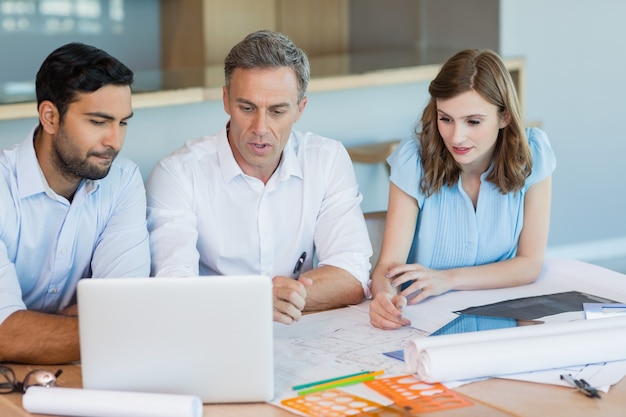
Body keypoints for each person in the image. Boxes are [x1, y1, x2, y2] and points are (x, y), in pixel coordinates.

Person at [146, 30, 371, 324]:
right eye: (247, 108)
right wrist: (255, 301)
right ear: (226, 100)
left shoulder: (326, 159)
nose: (260, 127)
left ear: (300, 109)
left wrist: (273, 300)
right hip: (215, 334)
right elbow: (174, 290)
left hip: (303, 336)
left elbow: (352, 276)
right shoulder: (177, 174)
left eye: (277, 111)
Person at [369, 49, 556, 330]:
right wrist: (383, 296)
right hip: (425, 318)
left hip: (502, 314)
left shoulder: (533, 155)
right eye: (446, 119)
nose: (456, 137)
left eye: (473, 121)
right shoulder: (413, 160)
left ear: (504, 117)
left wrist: (450, 279)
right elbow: (388, 267)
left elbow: (529, 263)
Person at [0, 43, 151, 364]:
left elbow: (126, 305)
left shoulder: (122, 180)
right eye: (98, 122)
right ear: (50, 117)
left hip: (77, 372)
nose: (115, 141)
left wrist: (29, 326)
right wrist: (113, 326)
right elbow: (5, 335)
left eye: (123, 122)